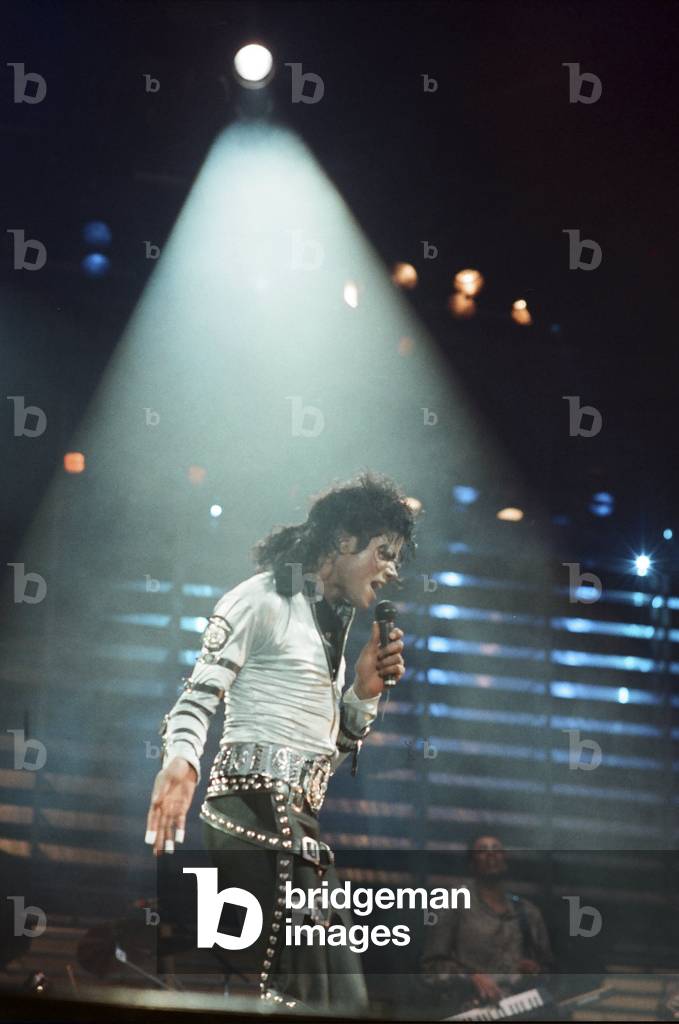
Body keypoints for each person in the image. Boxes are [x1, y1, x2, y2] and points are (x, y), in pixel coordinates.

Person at [144, 471, 419, 1010]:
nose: (392, 571)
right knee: (310, 993)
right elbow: (197, 697)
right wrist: (182, 762)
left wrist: (363, 692)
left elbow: (322, 763)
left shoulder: (329, 628)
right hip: (252, 813)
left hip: (297, 820)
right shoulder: (261, 599)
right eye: (384, 552)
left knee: (340, 999)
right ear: (344, 540)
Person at [421, 834, 554, 1012]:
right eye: (482, 850)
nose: (491, 855)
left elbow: (549, 972)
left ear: (505, 860)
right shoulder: (454, 903)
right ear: (471, 863)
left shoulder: (528, 912)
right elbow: (431, 968)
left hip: (520, 1011)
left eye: (496, 849)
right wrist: (470, 977)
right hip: (469, 1010)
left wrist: (534, 971)